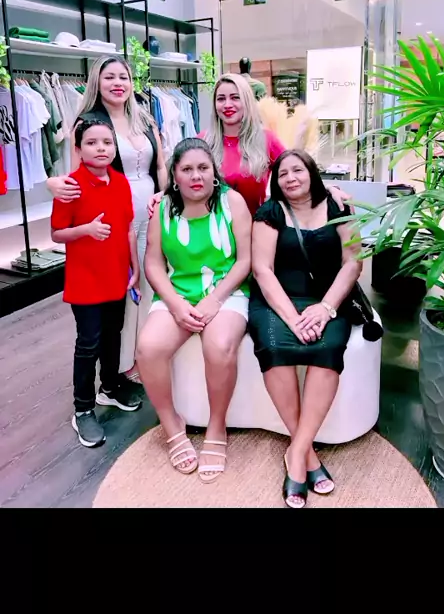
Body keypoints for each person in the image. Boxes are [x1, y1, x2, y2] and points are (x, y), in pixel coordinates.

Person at [248, 149, 362, 508]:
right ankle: (308, 455)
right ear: (276, 182)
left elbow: (353, 262)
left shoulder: (339, 207)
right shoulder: (269, 213)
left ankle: (296, 452)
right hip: (277, 301)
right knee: (274, 349)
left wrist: (326, 308)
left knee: (327, 351)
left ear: (312, 173)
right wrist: (292, 318)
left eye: (298, 170)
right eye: (283, 174)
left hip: (328, 299)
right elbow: (262, 270)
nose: (291, 178)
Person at [45, 55, 168, 387]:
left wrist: (165, 196)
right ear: (96, 82)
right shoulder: (88, 123)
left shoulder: (144, 118)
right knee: (123, 290)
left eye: (123, 77)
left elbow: (160, 165)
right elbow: (75, 176)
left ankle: (150, 352)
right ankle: (123, 364)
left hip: (152, 213)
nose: (118, 83)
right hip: (113, 218)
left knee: (151, 282)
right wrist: (51, 184)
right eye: (109, 76)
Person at [137, 138, 252, 481]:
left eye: (203, 168)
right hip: (178, 293)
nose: (196, 176)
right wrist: (175, 304)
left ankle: (217, 427)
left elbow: (245, 260)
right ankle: (172, 425)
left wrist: (214, 299)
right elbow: (153, 263)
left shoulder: (232, 202)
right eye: (187, 169)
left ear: (214, 171)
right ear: (174, 175)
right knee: (147, 349)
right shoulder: (162, 209)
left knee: (219, 346)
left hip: (227, 291)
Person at [51, 120, 142, 449]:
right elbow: (57, 233)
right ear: (78, 149)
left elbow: (129, 228)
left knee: (113, 333)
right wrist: (86, 230)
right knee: (88, 342)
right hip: (86, 280)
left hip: (117, 275)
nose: (101, 148)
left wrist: (135, 267)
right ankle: (83, 408)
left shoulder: (120, 181)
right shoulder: (71, 186)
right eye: (92, 142)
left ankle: (110, 387)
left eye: (107, 142)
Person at [148, 71, 350, 219]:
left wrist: (328, 189)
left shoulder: (266, 139)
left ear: (246, 102)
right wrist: (164, 194)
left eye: (235, 98)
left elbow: (295, 172)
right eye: (221, 99)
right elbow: (184, 179)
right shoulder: (203, 141)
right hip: (212, 235)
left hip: (256, 230)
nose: (228, 105)